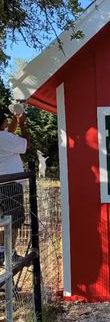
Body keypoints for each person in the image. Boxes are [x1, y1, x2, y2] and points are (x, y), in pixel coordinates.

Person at [0, 108, 30, 265]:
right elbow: (26, 144)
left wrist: (15, 119)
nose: (7, 124)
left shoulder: (5, 138)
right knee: (13, 221)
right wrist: (23, 124)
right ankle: (10, 255)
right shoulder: (5, 138)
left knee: (1, 221)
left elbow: (8, 135)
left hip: (1, 183)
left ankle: (1, 253)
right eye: (5, 121)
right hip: (10, 186)